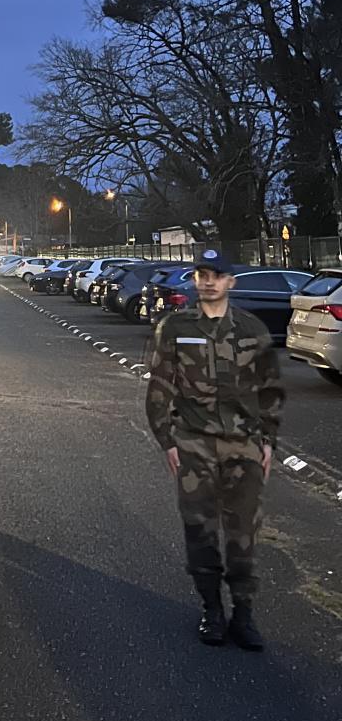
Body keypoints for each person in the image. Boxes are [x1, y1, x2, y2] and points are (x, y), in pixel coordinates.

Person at [146, 247, 284, 651]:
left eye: (217, 274)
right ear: (195, 279)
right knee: (200, 532)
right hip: (193, 444)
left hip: (244, 446)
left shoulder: (251, 329)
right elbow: (160, 387)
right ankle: (212, 609)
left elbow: (271, 389)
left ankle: (243, 612)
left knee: (243, 533)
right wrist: (167, 440)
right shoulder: (174, 327)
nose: (208, 281)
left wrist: (269, 441)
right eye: (202, 274)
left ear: (230, 282)